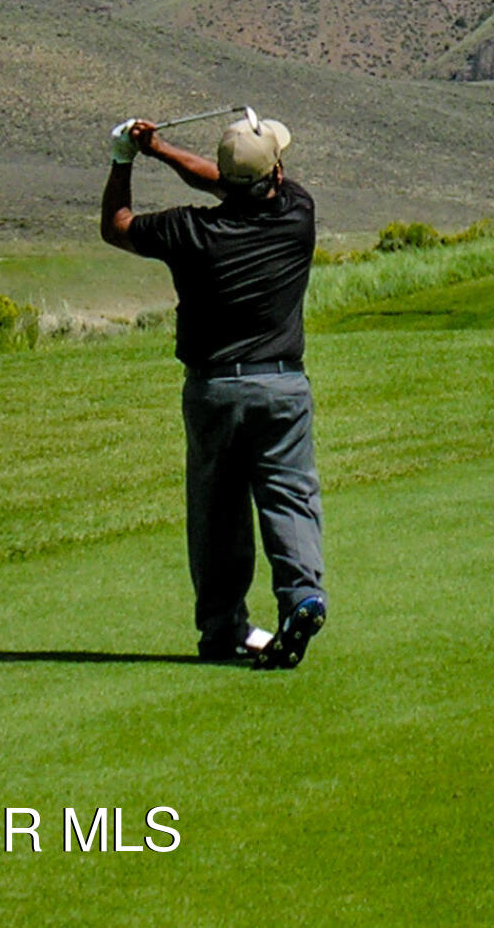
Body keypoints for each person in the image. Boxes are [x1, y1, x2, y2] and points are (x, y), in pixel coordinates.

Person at [101, 109, 330, 670]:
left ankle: (223, 628)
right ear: (276, 174)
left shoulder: (188, 231)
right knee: (288, 495)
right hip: (281, 387)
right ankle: (300, 595)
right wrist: (165, 152)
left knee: (216, 512)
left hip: (212, 392)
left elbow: (117, 224)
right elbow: (232, 182)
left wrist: (126, 159)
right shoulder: (296, 214)